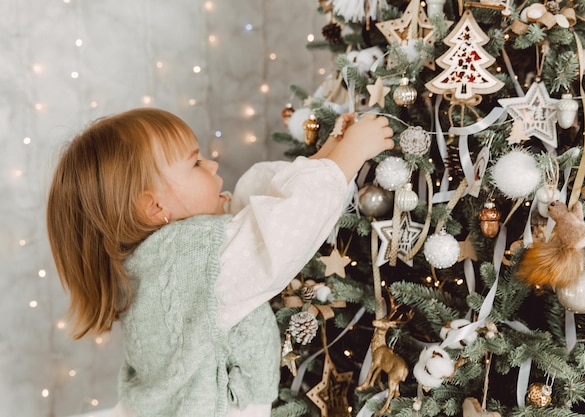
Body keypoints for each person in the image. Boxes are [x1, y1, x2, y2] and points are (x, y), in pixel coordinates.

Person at [46, 107, 394, 417]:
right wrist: (350, 155)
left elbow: (255, 212)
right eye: (195, 162)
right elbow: (279, 232)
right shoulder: (190, 261)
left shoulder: (155, 259)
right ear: (155, 207)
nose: (211, 164)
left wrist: (327, 154)